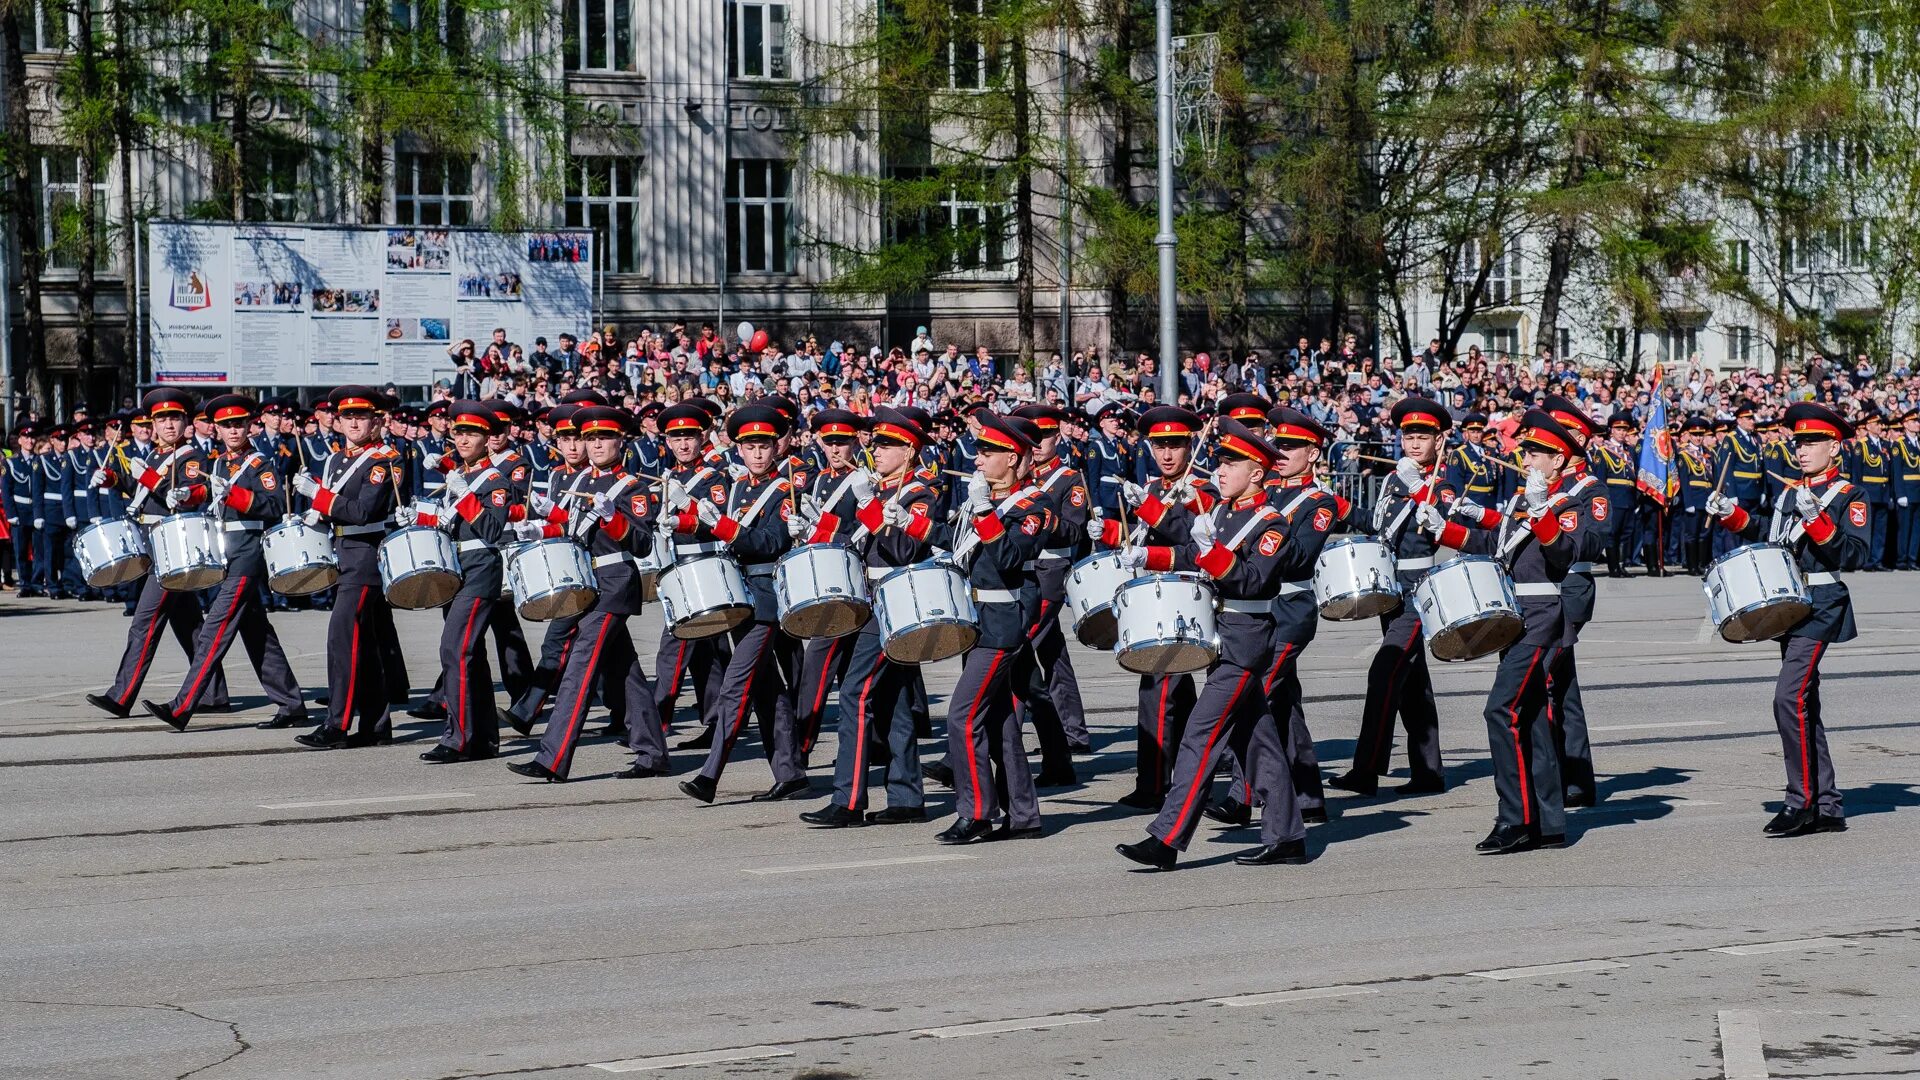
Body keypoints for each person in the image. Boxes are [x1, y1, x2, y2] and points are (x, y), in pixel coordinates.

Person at [1113, 416, 1307, 870]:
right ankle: (1288, 836)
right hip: (1222, 637)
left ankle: (1166, 839)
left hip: (1245, 640)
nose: (1219, 471)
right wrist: (1147, 556)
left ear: (1257, 472)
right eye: (1219, 462)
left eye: (1230, 464)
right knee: (1258, 741)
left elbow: (1253, 580)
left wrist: (1210, 552)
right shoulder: (1221, 512)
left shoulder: (1271, 524)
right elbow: (1188, 554)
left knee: (1199, 737)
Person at [1426, 409, 1599, 854]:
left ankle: (1516, 819)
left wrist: (1542, 511)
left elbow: (1563, 555)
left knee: (1501, 711)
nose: (1528, 458)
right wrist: (1444, 528)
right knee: (1534, 717)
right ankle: (1548, 822)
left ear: (1560, 460)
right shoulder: (1526, 496)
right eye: (1527, 451)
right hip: (1515, 612)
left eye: (1539, 453)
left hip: (1542, 614)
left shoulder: (1576, 499)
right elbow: (1493, 544)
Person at [1704, 402, 1867, 837]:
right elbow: (1771, 539)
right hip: (1788, 601)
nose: (1802, 449)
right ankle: (1828, 803)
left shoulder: (1849, 494)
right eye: (1798, 442)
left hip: (1822, 600)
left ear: (1835, 446)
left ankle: (1802, 802)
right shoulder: (1790, 492)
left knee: (1788, 697)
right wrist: (1731, 514)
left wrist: (1817, 521)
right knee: (1803, 702)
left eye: (1812, 442)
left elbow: (1854, 554)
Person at [507, 406, 667, 781]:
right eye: (590, 438)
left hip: (613, 582)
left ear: (620, 441)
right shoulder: (581, 482)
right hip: (586, 583)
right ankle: (653, 752)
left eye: (604, 438)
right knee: (626, 672)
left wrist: (614, 517)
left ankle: (552, 758)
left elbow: (642, 543)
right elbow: (577, 533)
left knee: (579, 665)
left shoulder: (633, 487)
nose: (595, 445)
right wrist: (543, 529)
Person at [798, 406, 940, 827]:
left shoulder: (921, 492)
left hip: (894, 602)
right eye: (875, 443)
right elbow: (844, 535)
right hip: (870, 597)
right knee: (893, 700)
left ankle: (849, 798)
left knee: (855, 694)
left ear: (909, 450)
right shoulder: (875, 486)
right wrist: (812, 524)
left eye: (887, 445)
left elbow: (901, 551)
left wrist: (868, 505)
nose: (875, 451)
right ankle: (907, 797)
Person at [138, 395, 306, 731]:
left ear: (249, 426)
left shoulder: (260, 463)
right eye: (226, 425)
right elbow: (207, 492)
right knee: (257, 633)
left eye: (238, 424)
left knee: (214, 628)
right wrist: (189, 496)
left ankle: (183, 706)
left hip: (247, 552)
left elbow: (273, 505)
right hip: (225, 552)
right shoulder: (216, 463)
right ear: (216, 428)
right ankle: (291, 704)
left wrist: (233, 494)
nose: (233, 430)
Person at [674, 404, 809, 804]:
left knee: (735, 687)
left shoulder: (786, 489)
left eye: (765, 446)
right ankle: (791, 772)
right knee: (768, 689)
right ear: (739, 450)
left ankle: (709, 775)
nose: (758, 454)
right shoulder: (736, 488)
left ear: (775, 448)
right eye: (750, 446)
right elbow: (717, 529)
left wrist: (722, 525)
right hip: (736, 594)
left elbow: (770, 542)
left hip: (765, 599)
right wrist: (682, 521)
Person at [934, 412, 1052, 844]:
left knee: (962, 717)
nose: (979, 459)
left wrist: (984, 508)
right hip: (976, 621)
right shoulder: (982, 500)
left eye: (989, 452)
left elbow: (1005, 557)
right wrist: (899, 519)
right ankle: (1023, 814)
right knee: (1000, 720)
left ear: (1014, 458)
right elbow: (955, 547)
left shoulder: (1035, 504)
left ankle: (978, 812)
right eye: (979, 450)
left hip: (1002, 624)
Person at [1331, 396, 1453, 797]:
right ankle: (1428, 770)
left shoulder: (1442, 478)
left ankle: (1366, 770)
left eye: (1424, 436)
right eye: (1409, 436)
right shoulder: (1394, 478)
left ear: (1440, 439)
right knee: (1412, 680)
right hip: (1390, 589)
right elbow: (1378, 525)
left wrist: (1420, 487)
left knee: (1384, 671)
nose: (1415, 444)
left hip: (1418, 590)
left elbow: (1442, 525)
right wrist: (1340, 506)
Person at [1093, 406, 1213, 808]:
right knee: (1176, 692)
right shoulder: (1155, 487)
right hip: (1157, 600)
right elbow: (1141, 537)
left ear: (1189, 445)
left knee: (1159, 690)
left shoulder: (1202, 489)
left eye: (1175, 446)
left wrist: (1148, 520)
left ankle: (1154, 785)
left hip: (1186, 599)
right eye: (1159, 446)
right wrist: (1109, 530)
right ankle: (1197, 774)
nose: (1167, 455)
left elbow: (1192, 548)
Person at [86, 389, 232, 719]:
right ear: (153, 424)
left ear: (186, 422)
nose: (168, 424)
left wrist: (148, 478)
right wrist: (112, 478)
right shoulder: (155, 455)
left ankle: (121, 695)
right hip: (153, 542)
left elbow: (184, 498)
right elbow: (139, 489)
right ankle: (214, 693)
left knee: (144, 622)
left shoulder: (193, 458)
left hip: (173, 548)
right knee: (189, 625)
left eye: (175, 418)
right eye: (161, 419)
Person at [400, 402, 514, 763]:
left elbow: (493, 531)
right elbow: (452, 523)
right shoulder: (461, 475)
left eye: (472, 433)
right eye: (459, 432)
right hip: (457, 567)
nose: (463, 439)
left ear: (486, 439)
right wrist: (417, 515)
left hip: (481, 568)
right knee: (472, 656)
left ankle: (458, 738)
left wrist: (464, 494)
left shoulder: (495, 480)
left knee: (454, 650)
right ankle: (482, 738)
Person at [292, 387, 405, 748]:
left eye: (362, 416)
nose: (354, 423)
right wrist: (315, 515)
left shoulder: (386, 459)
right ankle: (376, 724)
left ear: (376, 420)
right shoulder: (335, 460)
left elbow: (363, 512)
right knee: (365, 644)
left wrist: (318, 496)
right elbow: (336, 508)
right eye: (348, 417)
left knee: (341, 638)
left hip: (366, 557)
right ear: (339, 421)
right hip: (343, 553)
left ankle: (337, 724)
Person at [1012, 402, 1092, 780]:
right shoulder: (1021, 477)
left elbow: (1075, 530)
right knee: (1052, 653)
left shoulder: (1067, 479)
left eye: (1045, 435)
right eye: (1033, 436)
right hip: (1021, 568)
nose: (1038, 442)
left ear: (1057, 436)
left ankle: (1005, 738)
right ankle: (1070, 736)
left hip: (1049, 568)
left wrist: (1044, 519)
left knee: (1016, 650)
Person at [786, 408, 867, 759]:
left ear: (855, 443)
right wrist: (802, 532)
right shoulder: (818, 479)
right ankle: (870, 747)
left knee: (816, 670)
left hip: (848, 584)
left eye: (843, 443)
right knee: (850, 675)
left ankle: (801, 749)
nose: (836, 450)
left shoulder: (865, 481)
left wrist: (823, 525)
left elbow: (864, 537)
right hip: (824, 578)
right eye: (830, 442)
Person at [650, 402, 731, 749]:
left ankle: (655, 722)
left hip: (704, 566)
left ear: (702, 439)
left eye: (689, 438)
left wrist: (687, 510)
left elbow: (720, 521)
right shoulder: (667, 476)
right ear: (667, 442)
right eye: (676, 438)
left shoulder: (715, 476)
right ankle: (718, 722)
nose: (683, 445)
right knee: (707, 654)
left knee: (673, 649)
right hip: (676, 566)